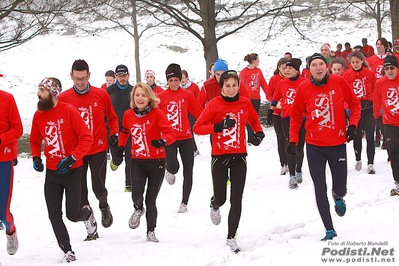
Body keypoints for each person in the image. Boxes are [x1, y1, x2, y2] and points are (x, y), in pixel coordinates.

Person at [288, 53, 360, 241]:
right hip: (314, 146)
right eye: (314, 65)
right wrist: (293, 140)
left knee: (340, 187)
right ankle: (329, 228)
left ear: (326, 66)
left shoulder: (339, 82)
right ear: (308, 69)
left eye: (321, 64)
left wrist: (352, 125)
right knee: (319, 187)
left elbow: (355, 104)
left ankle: (338, 196)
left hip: (337, 144)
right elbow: (295, 116)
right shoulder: (303, 87)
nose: (318, 68)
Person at [193, 70, 264, 253]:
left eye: (235, 85)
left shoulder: (245, 103)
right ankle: (214, 203)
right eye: (228, 85)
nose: (232, 89)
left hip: (239, 156)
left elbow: (255, 122)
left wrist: (259, 134)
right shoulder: (214, 104)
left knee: (236, 199)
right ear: (222, 87)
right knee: (222, 198)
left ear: (238, 86)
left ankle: (231, 237)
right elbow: (197, 128)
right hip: (219, 157)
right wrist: (217, 127)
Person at [30, 77, 95, 262]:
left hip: (73, 171)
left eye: (42, 90)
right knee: (53, 214)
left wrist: (73, 157)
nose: (38, 93)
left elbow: (86, 138)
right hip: (52, 172)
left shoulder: (69, 111)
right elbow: (35, 140)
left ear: (53, 93)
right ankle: (68, 251)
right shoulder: (38, 115)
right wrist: (36, 157)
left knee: (72, 215)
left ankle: (87, 214)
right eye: (39, 89)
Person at [59, 59, 119, 231]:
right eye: (77, 78)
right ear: (71, 76)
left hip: (97, 148)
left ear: (89, 76)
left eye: (83, 78)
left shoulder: (101, 94)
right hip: (77, 151)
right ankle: (89, 221)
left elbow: (113, 117)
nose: (80, 82)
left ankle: (104, 205)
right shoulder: (64, 98)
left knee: (98, 186)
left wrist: (114, 134)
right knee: (80, 189)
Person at [118, 82, 176, 242]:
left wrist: (163, 141)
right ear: (133, 98)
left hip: (156, 161)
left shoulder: (157, 114)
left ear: (150, 98)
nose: (140, 98)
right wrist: (120, 147)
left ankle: (151, 231)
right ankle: (138, 208)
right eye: (137, 95)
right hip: (137, 160)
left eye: (143, 95)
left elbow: (171, 133)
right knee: (136, 193)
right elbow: (124, 132)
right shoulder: (128, 115)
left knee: (151, 199)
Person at [158, 63, 203, 213]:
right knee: (174, 167)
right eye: (170, 81)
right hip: (169, 138)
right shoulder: (161, 97)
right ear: (167, 81)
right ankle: (168, 169)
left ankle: (184, 202)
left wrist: (213, 123)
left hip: (186, 138)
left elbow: (199, 112)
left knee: (188, 170)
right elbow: (154, 117)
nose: (174, 83)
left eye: (176, 80)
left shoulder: (187, 95)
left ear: (180, 80)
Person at [271, 58, 306, 188]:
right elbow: (276, 97)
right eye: (286, 68)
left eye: (290, 68)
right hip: (286, 118)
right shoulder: (282, 83)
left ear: (297, 70)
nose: (287, 70)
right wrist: (271, 110)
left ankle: (298, 170)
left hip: (302, 118)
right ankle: (291, 176)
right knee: (290, 145)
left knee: (300, 146)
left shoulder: (304, 83)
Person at [342, 51, 376, 174]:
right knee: (356, 134)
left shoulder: (369, 73)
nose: (355, 64)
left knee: (370, 135)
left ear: (362, 61)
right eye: (353, 62)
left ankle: (371, 162)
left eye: (357, 62)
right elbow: (344, 95)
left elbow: (375, 90)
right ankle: (358, 159)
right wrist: (346, 107)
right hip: (355, 108)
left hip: (368, 107)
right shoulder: (346, 75)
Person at [0, 80, 23, 255]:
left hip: (3, 159)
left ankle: (11, 230)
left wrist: (1, 140)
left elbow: (17, 129)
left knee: (3, 212)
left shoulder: (7, 99)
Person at [373, 55, 399, 196]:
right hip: (389, 122)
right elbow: (377, 101)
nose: (389, 71)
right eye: (387, 68)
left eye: (392, 68)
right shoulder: (380, 83)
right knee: (394, 153)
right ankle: (398, 182)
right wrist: (377, 116)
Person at [107, 64, 134, 192]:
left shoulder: (133, 91)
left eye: (124, 76)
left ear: (128, 76)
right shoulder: (109, 91)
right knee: (118, 158)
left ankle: (129, 184)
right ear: (115, 77)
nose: (122, 78)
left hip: (129, 130)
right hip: (113, 130)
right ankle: (115, 162)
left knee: (130, 156)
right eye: (119, 76)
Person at [239, 53, 268, 144]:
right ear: (254, 61)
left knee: (255, 116)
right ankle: (250, 136)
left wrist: (269, 94)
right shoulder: (244, 72)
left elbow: (263, 83)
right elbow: (240, 86)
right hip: (247, 98)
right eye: (258, 59)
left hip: (257, 97)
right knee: (249, 116)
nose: (259, 61)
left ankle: (254, 133)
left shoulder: (258, 71)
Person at [266, 57, 289, 175]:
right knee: (280, 137)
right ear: (279, 68)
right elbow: (269, 94)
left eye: (287, 68)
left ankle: (292, 161)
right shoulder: (274, 79)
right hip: (277, 112)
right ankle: (284, 163)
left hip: (289, 112)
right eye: (283, 68)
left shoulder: (292, 79)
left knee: (289, 138)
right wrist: (274, 103)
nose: (285, 70)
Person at [181, 69, 201, 156]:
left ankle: (194, 149)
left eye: (183, 78)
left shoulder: (194, 87)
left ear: (187, 78)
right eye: (180, 78)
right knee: (187, 130)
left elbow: (199, 99)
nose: (182, 80)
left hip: (192, 112)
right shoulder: (179, 89)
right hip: (184, 112)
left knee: (190, 130)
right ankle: (193, 149)